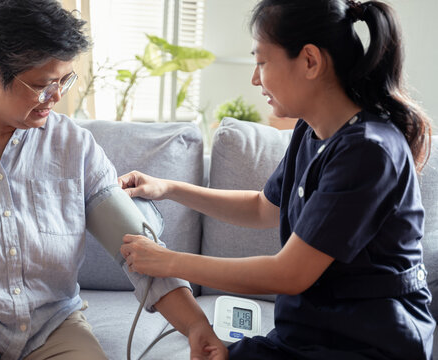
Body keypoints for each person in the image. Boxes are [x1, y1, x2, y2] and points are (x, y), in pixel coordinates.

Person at [0, 1, 227, 359]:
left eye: (64, 81)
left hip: (49, 329)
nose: (55, 98)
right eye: (42, 85)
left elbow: (138, 249)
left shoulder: (74, 146)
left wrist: (196, 326)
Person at [119, 0, 435, 359]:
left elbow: (289, 273)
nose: (255, 78)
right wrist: (168, 188)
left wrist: (167, 261)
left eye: (262, 62)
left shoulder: (369, 152)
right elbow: (262, 207)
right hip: (310, 335)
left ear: (310, 61)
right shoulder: (311, 131)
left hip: (368, 343)